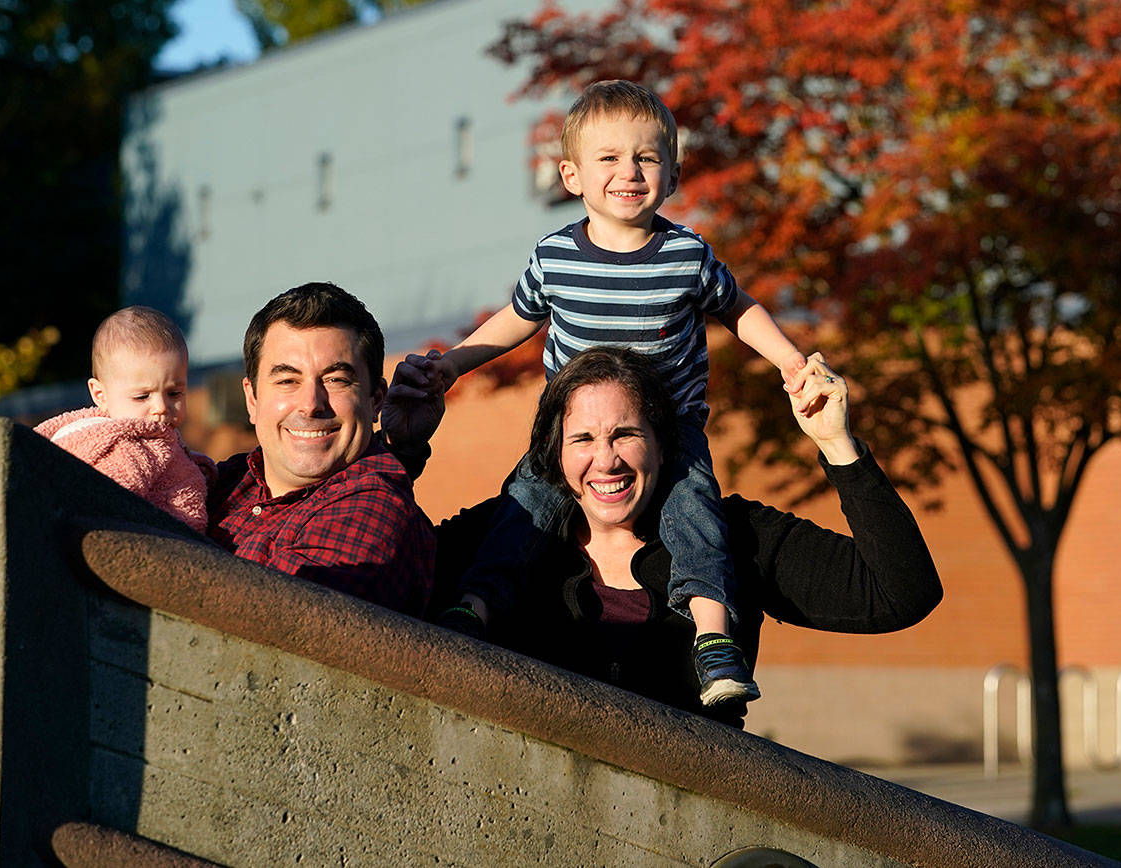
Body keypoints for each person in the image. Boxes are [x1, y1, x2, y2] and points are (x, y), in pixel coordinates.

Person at [413, 80, 805, 706]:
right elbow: (516, 319)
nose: (630, 172)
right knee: (519, 513)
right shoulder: (556, 256)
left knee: (697, 519)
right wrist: (454, 364)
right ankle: (475, 610)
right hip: (572, 440)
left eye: (647, 158)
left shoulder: (686, 255)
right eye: (609, 158)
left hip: (669, 436)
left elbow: (740, 307)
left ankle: (713, 642)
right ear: (571, 175)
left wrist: (789, 360)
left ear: (672, 173)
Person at [384, 347, 943, 724]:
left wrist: (836, 444)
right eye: (582, 439)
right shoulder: (507, 533)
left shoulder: (732, 535)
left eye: (626, 434)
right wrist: (403, 455)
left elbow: (900, 592)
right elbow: (380, 580)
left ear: (663, 443)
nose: (606, 461)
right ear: (552, 452)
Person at [206, 282, 436, 617]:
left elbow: (266, 628)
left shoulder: (374, 513)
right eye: (287, 380)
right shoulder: (219, 481)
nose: (311, 404)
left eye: (336, 380)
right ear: (252, 399)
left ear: (375, 400)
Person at [35, 306, 215, 532]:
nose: (160, 407)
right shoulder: (127, 449)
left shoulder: (156, 441)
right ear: (100, 395)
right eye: (142, 396)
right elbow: (108, 503)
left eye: (174, 393)